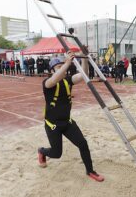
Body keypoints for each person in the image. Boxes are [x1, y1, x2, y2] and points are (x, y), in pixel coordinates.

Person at [38, 50, 104, 182]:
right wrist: (68, 62)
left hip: (67, 122)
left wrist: (84, 58)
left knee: (83, 144)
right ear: (52, 70)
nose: (63, 70)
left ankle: (90, 171)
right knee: (57, 154)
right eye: (58, 67)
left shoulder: (68, 80)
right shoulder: (47, 83)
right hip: (53, 125)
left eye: (63, 66)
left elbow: (84, 74)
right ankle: (42, 151)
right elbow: (56, 78)